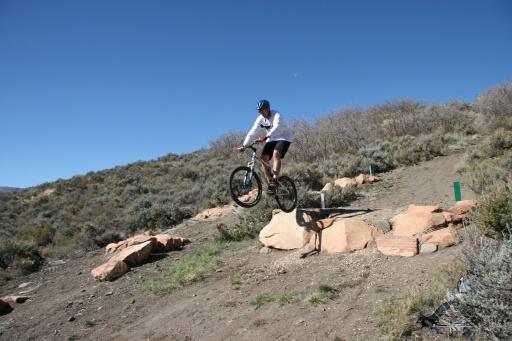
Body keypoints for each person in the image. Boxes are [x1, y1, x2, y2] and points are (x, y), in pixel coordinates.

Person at [237, 99, 292, 194]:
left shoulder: (277, 115)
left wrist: (266, 136)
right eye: (259, 111)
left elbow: (276, 127)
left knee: (276, 155)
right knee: (263, 158)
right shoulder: (260, 119)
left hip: (284, 137)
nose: (261, 112)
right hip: (271, 139)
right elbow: (252, 132)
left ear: (268, 108)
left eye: (263, 110)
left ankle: (275, 179)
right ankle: (271, 182)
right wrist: (244, 145)